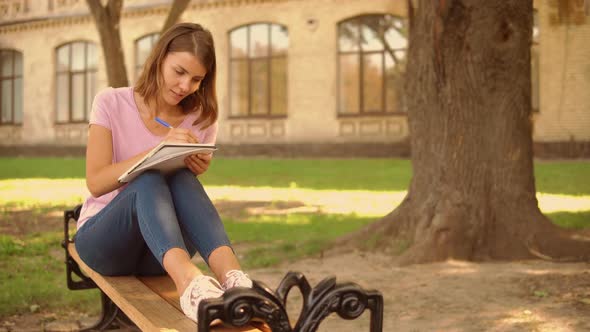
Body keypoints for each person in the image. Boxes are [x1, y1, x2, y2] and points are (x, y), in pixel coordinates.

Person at [74, 23, 252, 324]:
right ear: (159, 58)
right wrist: (155, 152)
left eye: (196, 79)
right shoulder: (110, 102)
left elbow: (182, 198)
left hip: (159, 252)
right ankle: (190, 286)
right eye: (179, 71)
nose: (185, 86)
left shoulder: (202, 118)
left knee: (181, 178)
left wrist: (196, 167)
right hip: (104, 243)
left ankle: (235, 282)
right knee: (148, 178)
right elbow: (96, 183)